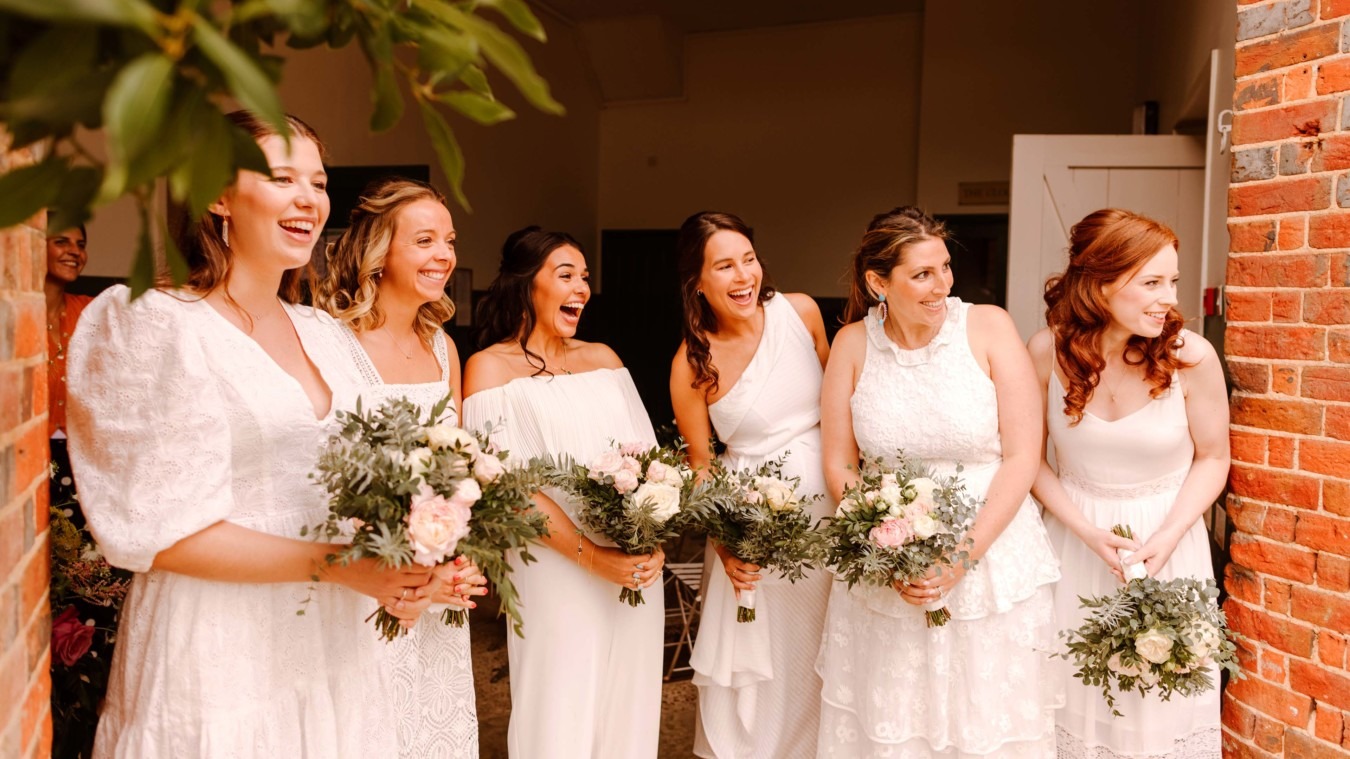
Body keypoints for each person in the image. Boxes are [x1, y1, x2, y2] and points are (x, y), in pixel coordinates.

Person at [66, 111, 437, 757]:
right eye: (282, 176)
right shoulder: (153, 323)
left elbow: (357, 487)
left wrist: (401, 565)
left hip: (331, 644)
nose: (308, 199)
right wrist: (346, 568)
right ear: (215, 193)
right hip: (217, 650)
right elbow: (164, 531)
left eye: (318, 182)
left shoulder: (323, 332)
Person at [815, 207, 1062, 758]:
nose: (942, 285)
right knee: (895, 712)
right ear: (879, 283)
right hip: (887, 564)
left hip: (990, 557)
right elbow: (839, 463)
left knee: (986, 717)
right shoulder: (853, 346)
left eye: (945, 268)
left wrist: (960, 558)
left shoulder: (990, 326)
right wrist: (888, 546)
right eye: (922, 274)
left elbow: (1023, 456)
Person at [1029, 209, 1229, 758]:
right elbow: (1029, 461)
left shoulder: (1191, 357)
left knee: (1159, 702)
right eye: (1151, 282)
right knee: (1070, 695)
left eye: (1173, 282)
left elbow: (1213, 458)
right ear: (1099, 283)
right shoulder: (1047, 352)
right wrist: (1086, 531)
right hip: (1074, 544)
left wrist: (1167, 538)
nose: (1168, 298)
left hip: (1167, 543)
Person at [461, 227, 665, 758]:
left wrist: (654, 539)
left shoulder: (603, 358)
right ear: (526, 284)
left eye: (586, 277)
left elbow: (650, 465)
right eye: (566, 275)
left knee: (630, 699)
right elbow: (504, 490)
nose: (583, 289)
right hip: (554, 565)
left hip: (633, 564)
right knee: (561, 703)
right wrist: (593, 557)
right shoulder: (488, 368)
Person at [316, 176, 488, 759]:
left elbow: (458, 470)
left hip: (435, 578)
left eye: (449, 240)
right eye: (424, 240)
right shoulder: (330, 341)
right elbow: (321, 468)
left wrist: (458, 559)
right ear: (378, 248)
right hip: (361, 576)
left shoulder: (443, 346)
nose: (443, 254)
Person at [668, 211, 832, 758]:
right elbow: (701, 466)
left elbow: (840, 414)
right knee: (764, 670)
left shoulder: (801, 312)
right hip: (754, 529)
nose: (744, 276)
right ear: (698, 281)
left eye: (749, 259)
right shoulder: (693, 361)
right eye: (725, 266)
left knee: (823, 653)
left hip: (828, 518)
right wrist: (726, 542)